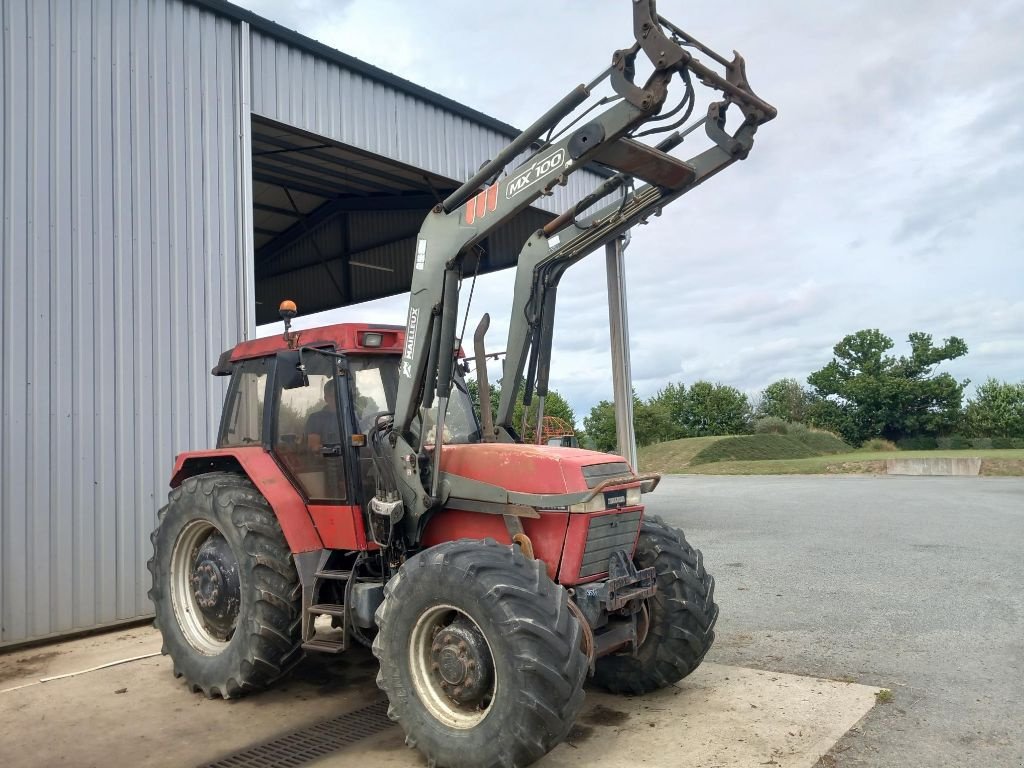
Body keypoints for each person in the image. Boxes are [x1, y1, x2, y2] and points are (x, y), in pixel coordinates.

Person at [305, 378, 341, 452]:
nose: (337, 398)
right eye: (333, 395)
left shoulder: (352, 418)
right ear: (326, 398)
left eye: (339, 395)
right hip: (324, 462)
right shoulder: (315, 419)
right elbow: (314, 448)